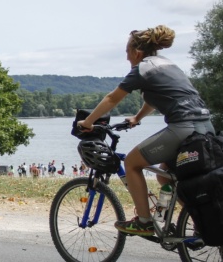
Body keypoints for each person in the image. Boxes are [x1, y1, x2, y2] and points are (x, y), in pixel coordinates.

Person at [77, 25, 213, 236]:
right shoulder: (169, 65)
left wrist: (88, 122)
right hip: (206, 126)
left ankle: (144, 221)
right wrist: (137, 117)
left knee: (131, 162)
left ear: (137, 52)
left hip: (183, 127)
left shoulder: (142, 69)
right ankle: (199, 225)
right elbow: (157, 96)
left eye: (127, 52)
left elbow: (112, 98)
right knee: (166, 173)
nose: (126, 58)